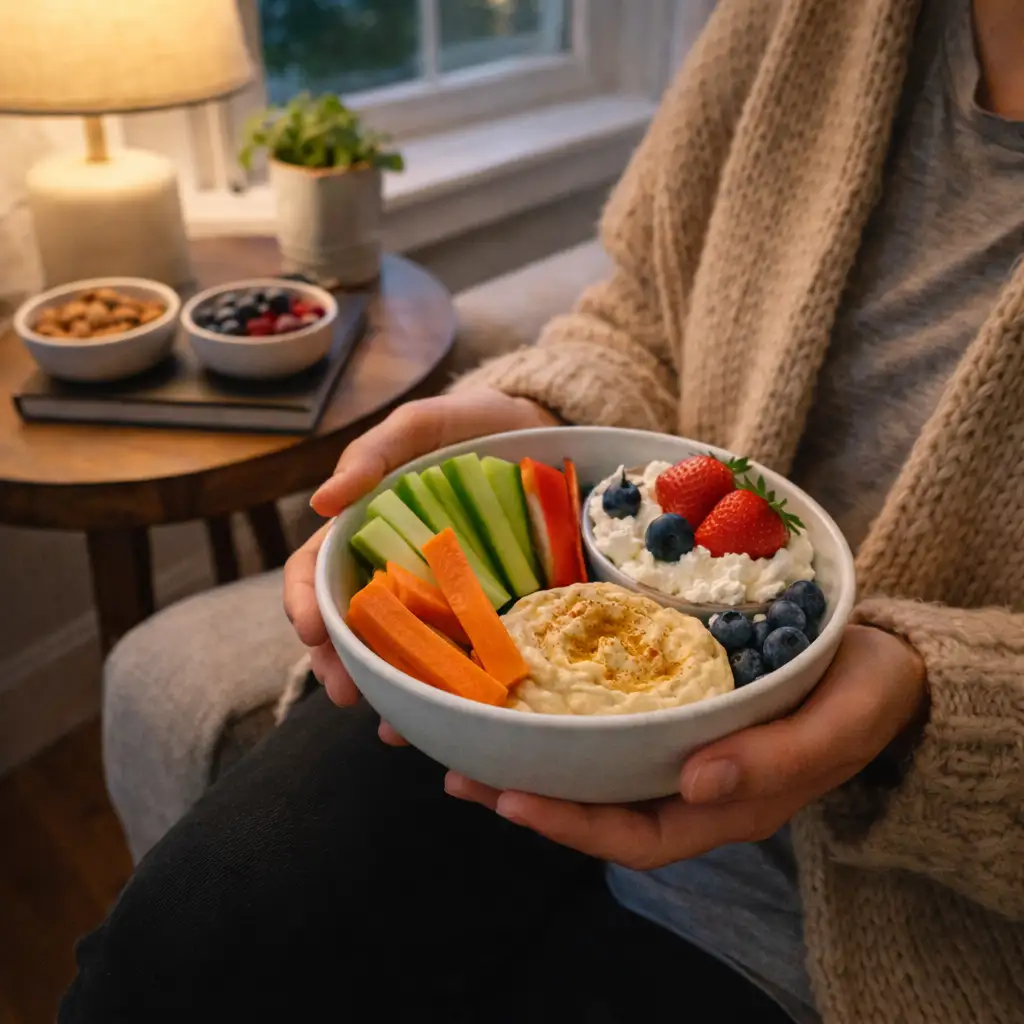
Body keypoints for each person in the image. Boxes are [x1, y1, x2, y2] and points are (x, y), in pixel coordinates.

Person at [61, 0, 1024, 1020]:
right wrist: (533, 421)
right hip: (502, 711)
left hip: (869, 918)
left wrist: (922, 712)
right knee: (158, 965)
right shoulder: (800, 17)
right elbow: (643, 316)